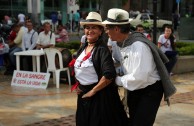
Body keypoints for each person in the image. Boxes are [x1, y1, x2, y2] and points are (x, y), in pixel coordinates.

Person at [102, 8, 176, 126]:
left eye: (107, 28)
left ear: (116, 29)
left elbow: (140, 77)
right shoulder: (117, 43)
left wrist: (116, 80)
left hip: (149, 90)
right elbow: (117, 61)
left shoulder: (139, 47)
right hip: (134, 88)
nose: (106, 31)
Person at [73, 12, 129, 126]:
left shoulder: (102, 49)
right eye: (87, 28)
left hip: (99, 98)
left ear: (100, 31)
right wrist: (78, 85)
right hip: (84, 96)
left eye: (94, 28)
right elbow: (79, 67)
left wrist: (93, 91)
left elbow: (109, 74)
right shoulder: (84, 47)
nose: (90, 30)